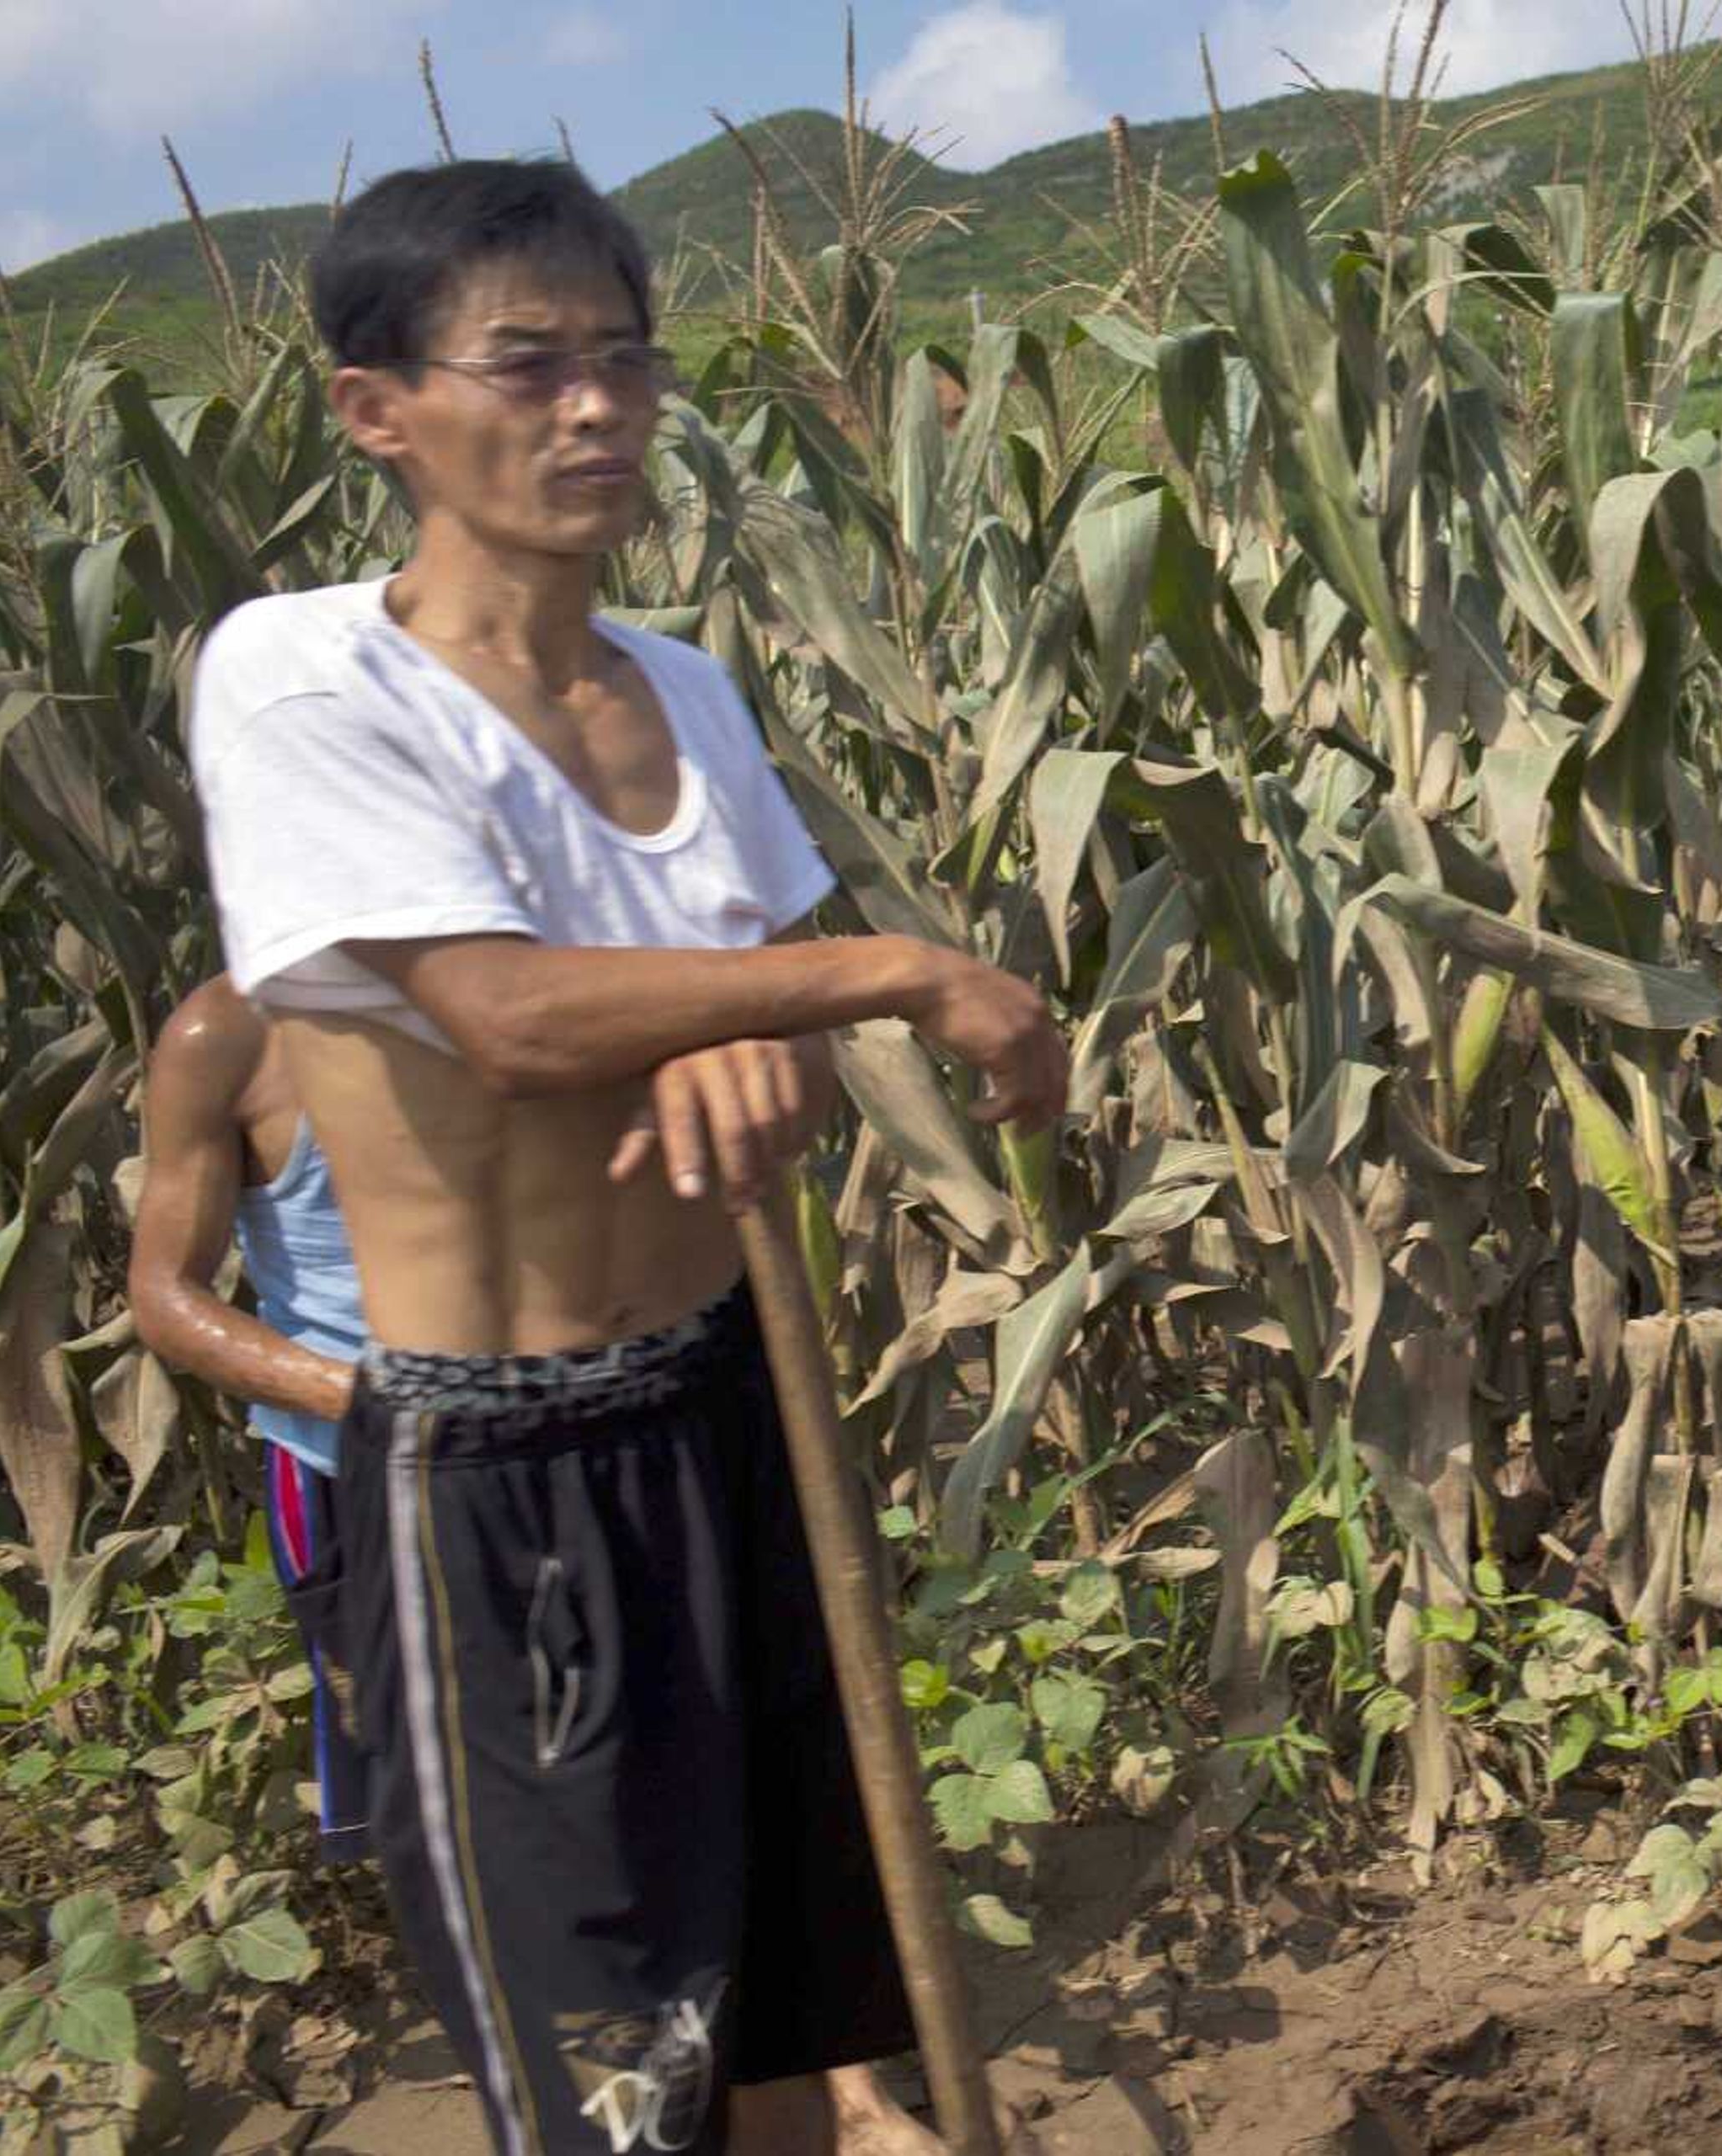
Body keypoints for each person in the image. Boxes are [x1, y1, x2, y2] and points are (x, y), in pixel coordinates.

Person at [184, 157, 1065, 2156]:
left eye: (623, 362)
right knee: (612, 2078)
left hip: (731, 1403)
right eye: (526, 362)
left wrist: (767, 1030)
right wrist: (888, 968)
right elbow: (499, 1015)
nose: (593, 406)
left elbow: (773, 1063)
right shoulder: (307, 675)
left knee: (775, 2020)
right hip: (506, 1461)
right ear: (376, 409)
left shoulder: (681, 691)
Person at [125, 979, 947, 2153]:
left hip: (577, 1454)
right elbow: (167, 1293)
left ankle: (843, 2096)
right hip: (372, 1483)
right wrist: (390, 1406)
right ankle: (608, 2095)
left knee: (723, 1757)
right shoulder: (226, 1038)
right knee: (512, 1836)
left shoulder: (524, 982)